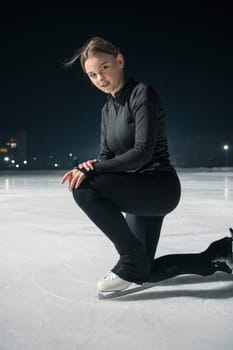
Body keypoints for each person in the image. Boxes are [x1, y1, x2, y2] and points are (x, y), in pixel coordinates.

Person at [61, 36, 233, 293]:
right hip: (135, 189)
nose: (100, 79)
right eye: (92, 75)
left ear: (119, 60)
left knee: (84, 189)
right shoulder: (107, 111)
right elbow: (108, 158)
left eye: (105, 67)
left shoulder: (143, 94)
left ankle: (129, 259)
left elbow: (141, 153)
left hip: (158, 187)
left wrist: (96, 169)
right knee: (145, 272)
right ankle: (217, 254)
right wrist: (93, 164)